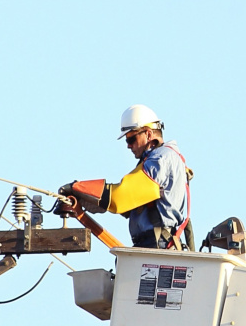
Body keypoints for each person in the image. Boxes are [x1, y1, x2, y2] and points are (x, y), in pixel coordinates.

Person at [60, 105, 193, 249]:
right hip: (153, 244)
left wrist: (77, 188)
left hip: (157, 244)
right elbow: (127, 206)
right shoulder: (156, 160)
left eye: (131, 139)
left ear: (148, 134)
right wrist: (84, 198)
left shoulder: (161, 159)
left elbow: (120, 197)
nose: (128, 146)